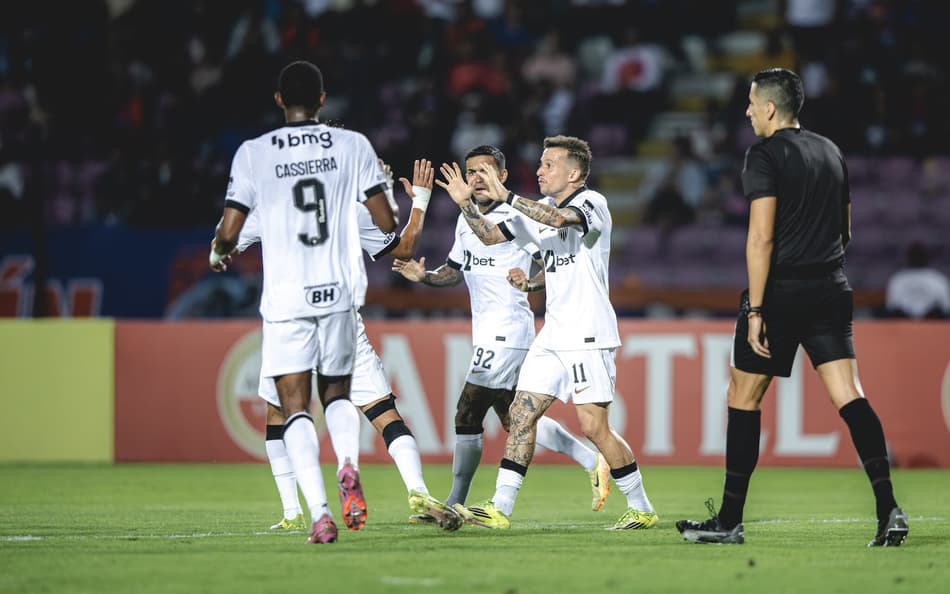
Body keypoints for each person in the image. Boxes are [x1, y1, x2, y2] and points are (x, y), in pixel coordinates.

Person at [675, 68, 908, 547]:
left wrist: (757, 310)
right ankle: (889, 508)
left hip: (782, 292)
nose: (746, 111)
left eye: (750, 102)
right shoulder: (831, 150)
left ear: (769, 108)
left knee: (743, 395)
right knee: (849, 394)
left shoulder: (763, 155)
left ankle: (729, 521)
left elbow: (760, 237)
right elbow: (846, 230)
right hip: (831, 286)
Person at [426, 137, 657, 530]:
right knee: (520, 414)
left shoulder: (592, 203)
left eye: (549, 164)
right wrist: (466, 203)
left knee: (593, 427)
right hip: (552, 333)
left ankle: (642, 507)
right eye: (540, 163)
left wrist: (508, 196)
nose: (539, 170)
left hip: (588, 333)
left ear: (574, 173)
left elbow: (558, 223)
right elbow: (490, 235)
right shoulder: (541, 208)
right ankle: (500, 507)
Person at [209, 60, 395, 544]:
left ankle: (318, 513)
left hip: (286, 301)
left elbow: (229, 231)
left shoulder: (254, 153)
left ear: (278, 100)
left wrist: (219, 251)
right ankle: (349, 464)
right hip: (336, 295)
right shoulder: (353, 144)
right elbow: (386, 220)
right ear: (322, 99)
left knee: (294, 408)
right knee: (337, 395)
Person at [229, 159, 461, 533]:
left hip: (290, 323)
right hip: (341, 320)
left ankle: (294, 512)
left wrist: (221, 248)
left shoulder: (275, 203)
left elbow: (227, 240)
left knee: (281, 413)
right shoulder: (354, 210)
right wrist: (419, 199)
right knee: (384, 413)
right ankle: (415, 491)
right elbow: (404, 250)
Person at [394, 145, 611, 521]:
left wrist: (529, 285)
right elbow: (454, 269)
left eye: (484, 171)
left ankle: (453, 503)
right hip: (487, 331)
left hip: (510, 330)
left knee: (467, 412)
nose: (476, 178)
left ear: (503, 177)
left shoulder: (517, 213)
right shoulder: (466, 221)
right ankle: (591, 459)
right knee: (516, 420)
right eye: (470, 171)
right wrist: (425, 277)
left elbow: (534, 253)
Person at [885, 241, 950, 319]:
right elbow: (892, 309)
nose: (917, 258)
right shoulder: (898, 279)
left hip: (931, 325)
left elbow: (945, 309)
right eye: (915, 255)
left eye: (919, 255)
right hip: (904, 325)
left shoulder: (938, 279)